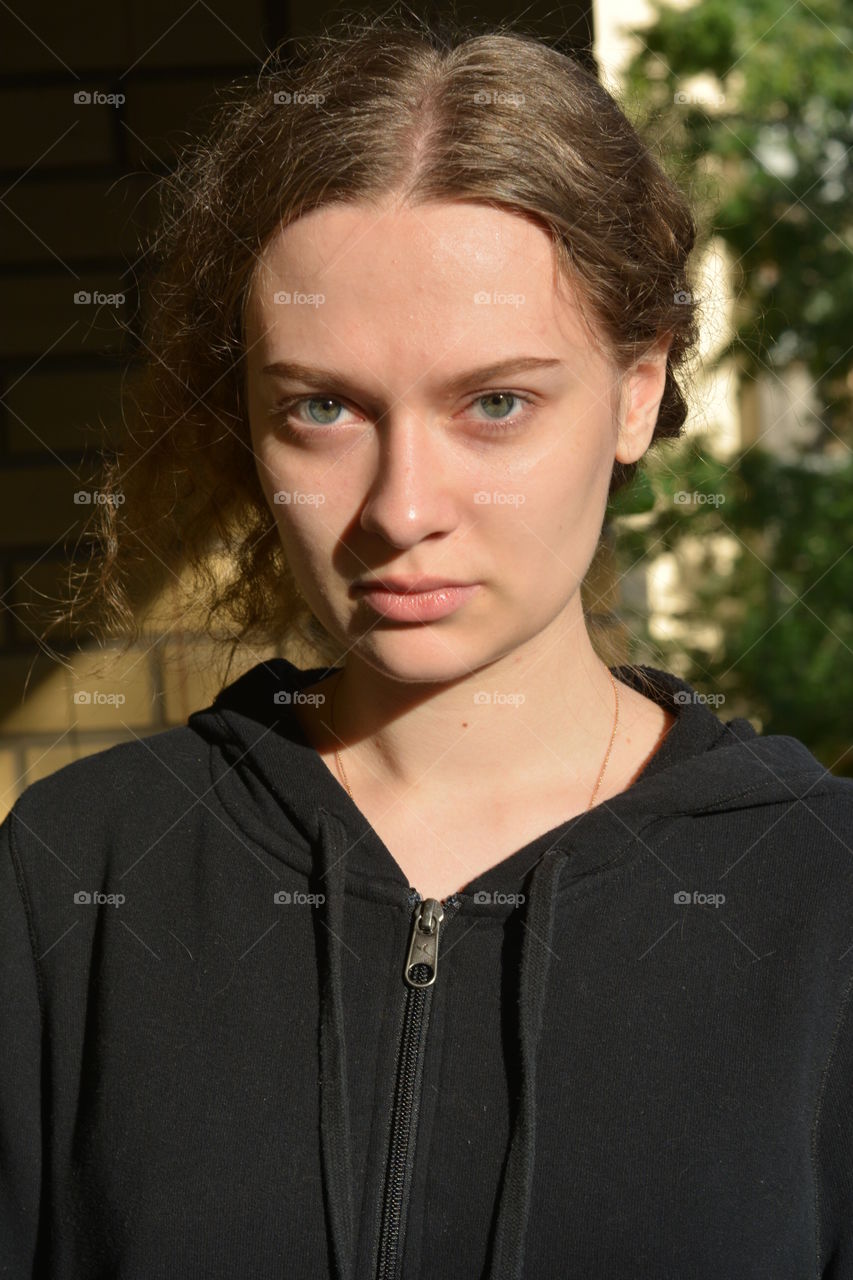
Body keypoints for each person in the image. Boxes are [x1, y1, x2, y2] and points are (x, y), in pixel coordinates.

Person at [2, 10, 852, 1279]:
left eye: (495, 402)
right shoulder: (77, 878)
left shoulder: (819, 896)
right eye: (323, 408)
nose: (401, 507)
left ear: (635, 388)